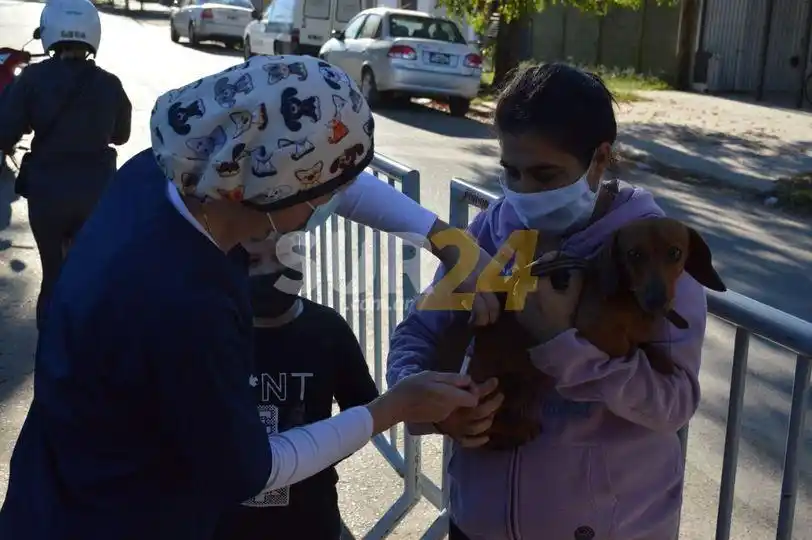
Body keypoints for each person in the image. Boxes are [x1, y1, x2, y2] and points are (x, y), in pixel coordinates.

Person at [0, 55, 489, 540]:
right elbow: (254, 468)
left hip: (55, 476)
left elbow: (320, 172)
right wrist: (392, 409)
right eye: (330, 196)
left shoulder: (170, 174)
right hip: (111, 516)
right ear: (285, 196)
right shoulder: (186, 302)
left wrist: (444, 238)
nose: (336, 203)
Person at [387, 63, 709, 540]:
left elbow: (672, 405)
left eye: (544, 174)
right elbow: (419, 332)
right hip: (476, 522)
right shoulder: (489, 234)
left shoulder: (655, 260)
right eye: (510, 172)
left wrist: (563, 344)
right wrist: (427, 399)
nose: (523, 192)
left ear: (599, 160)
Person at [212, 252, 379, 540]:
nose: (272, 269)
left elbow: (365, 408)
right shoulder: (210, 332)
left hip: (309, 517)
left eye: (282, 253)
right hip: (224, 522)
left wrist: (317, 453)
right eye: (256, 261)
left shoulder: (327, 329)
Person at [0, 0, 132, 330]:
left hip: (48, 194)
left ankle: (51, 357)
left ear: (49, 31)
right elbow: (122, 135)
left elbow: (5, 133)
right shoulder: (110, 83)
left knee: (53, 276)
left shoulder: (31, 79)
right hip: (97, 193)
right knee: (89, 273)